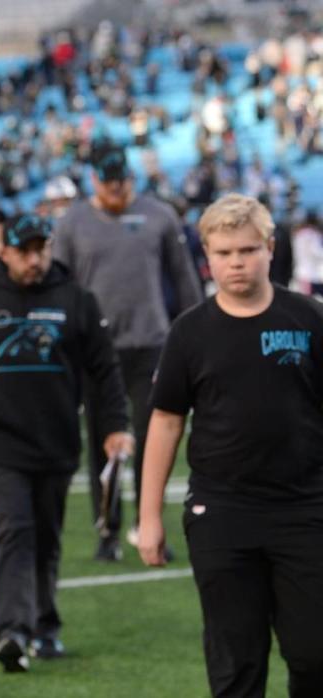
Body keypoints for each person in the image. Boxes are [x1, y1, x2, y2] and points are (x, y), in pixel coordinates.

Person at [138, 193, 323, 697]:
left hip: (305, 510)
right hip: (221, 512)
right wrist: (149, 518)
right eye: (223, 253)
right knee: (236, 661)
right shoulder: (189, 332)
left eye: (246, 250)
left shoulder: (308, 319)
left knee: (314, 653)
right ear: (207, 256)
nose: (236, 263)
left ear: (269, 247)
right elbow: (166, 423)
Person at [0, 213, 132, 672]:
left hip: (57, 441)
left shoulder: (76, 300)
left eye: (41, 249)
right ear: (6, 252)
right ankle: (12, 630)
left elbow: (104, 369)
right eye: (25, 251)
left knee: (48, 538)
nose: (35, 259)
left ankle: (44, 626)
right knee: (15, 530)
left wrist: (115, 424)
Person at [53, 144, 203, 561]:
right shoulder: (72, 223)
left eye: (123, 183)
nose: (117, 191)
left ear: (131, 178)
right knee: (107, 444)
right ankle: (108, 530)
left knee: (151, 435)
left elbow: (184, 277)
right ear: (94, 180)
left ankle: (146, 523)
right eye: (109, 184)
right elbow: (58, 286)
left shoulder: (159, 215)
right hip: (97, 353)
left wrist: (195, 330)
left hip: (152, 345)